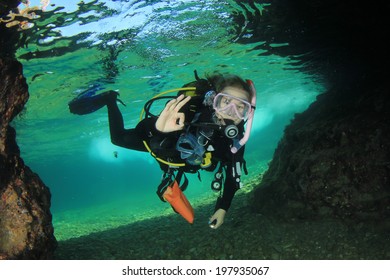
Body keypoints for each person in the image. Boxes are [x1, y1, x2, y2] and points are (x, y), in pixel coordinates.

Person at [69, 71, 256, 229]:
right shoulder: (190, 111)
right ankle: (110, 100)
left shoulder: (237, 138)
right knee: (118, 138)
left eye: (241, 107)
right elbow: (143, 131)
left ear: (248, 114)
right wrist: (157, 129)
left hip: (184, 157)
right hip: (166, 144)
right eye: (226, 102)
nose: (232, 111)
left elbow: (233, 176)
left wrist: (223, 207)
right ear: (213, 100)